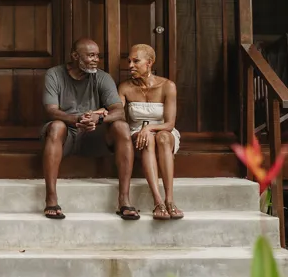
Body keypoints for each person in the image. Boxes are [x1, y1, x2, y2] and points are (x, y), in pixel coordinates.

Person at [41, 38, 138, 220]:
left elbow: (118, 110)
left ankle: (124, 199)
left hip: (94, 134)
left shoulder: (102, 77)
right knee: (56, 126)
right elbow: (51, 110)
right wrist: (76, 119)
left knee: (122, 127)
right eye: (91, 55)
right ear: (75, 56)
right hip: (67, 135)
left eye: (97, 56)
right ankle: (51, 198)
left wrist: (99, 117)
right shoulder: (54, 74)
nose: (96, 60)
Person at [118, 44, 184, 220]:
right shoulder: (125, 87)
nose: (130, 65)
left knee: (161, 138)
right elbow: (117, 110)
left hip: (163, 131)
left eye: (135, 61)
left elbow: (169, 124)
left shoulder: (167, 86)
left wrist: (149, 128)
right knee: (148, 140)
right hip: (137, 134)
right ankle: (158, 201)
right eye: (129, 61)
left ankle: (170, 200)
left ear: (149, 62)